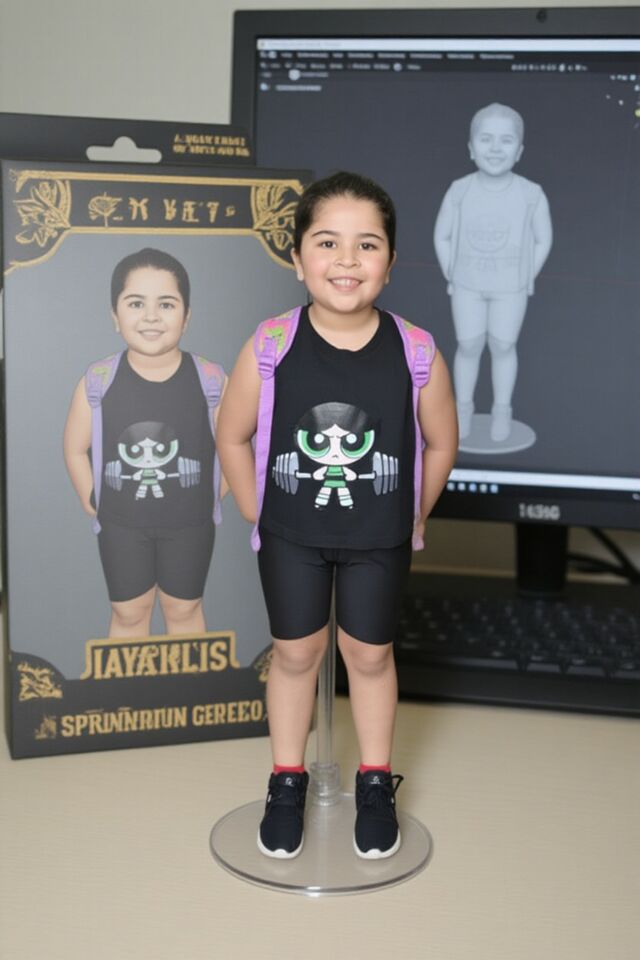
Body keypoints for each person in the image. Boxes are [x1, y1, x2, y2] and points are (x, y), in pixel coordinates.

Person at [217, 171, 458, 860]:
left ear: (390, 261)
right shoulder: (269, 345)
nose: (347, 260)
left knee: (370, 656)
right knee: (296, 654)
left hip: (379, 538)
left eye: (367, 244)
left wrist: (413, 516)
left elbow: (441, 443)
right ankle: (286, 779)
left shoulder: (416, 352)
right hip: (291, 536)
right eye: (327, 242)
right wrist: (256, 510)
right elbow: (232, 434)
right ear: (297, 258)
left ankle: (375, 781)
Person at [64, 248, 226, 639]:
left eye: (166, 304)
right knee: (129, 613)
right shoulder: (98, 381)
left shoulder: (212, 380)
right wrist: (92, 498)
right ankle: (126, 681)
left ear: (186, 316)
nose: (151, 316)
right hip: (121, 525)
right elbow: (75, 448)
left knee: (184, 609)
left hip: (190, 525)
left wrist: (212, 496)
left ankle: (187, 681)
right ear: (114, 315)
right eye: (136, 303)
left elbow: (235, 446)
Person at [434, 103, 553, 442]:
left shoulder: (531, 194)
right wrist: (452, 274)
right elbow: (442, 236)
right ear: (471, 148)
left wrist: (526, 276)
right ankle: (463, 410)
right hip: (467, 286)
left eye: (506, 140)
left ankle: (502, 410)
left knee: (503, 346)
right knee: (468, 345)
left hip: (510, 287)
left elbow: (543, 239)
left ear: (520, 150)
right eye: (486, 139)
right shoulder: (459, 191)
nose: (496, 148)